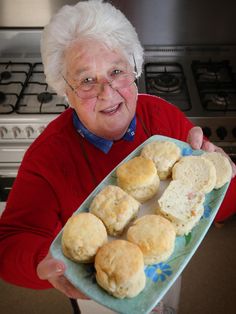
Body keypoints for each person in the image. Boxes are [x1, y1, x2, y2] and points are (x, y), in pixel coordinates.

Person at [0, 0, 235, 313]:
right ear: (65, 92)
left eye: (116, 71)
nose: (106, 92)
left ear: (134, 70)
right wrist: (51, 260)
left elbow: (220, 208)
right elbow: (9, 244)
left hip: (162, 267)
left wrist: (224, 176)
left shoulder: (163, 118)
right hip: (94, 287)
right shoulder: (48, 156)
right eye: (86, 80)